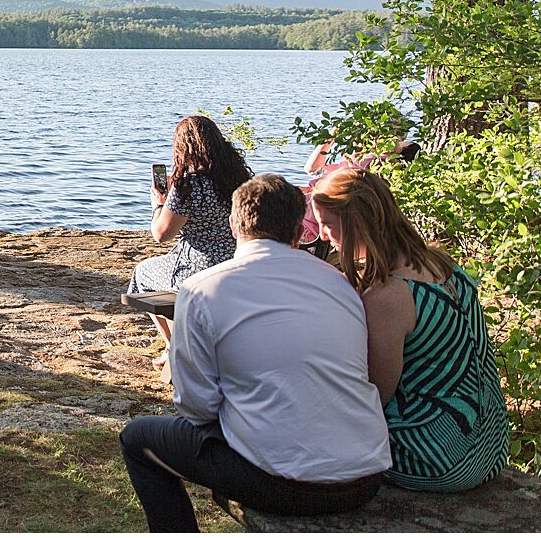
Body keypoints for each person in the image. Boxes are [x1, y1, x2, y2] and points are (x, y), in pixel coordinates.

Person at [119, 174, 391, 532]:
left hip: (281, 483)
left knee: (137, 439)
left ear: (234, 225)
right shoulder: (339, 284)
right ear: (298, 230)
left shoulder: (201, 291)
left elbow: (195, 406)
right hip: (365, 477)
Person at [310, 167, 509, 492]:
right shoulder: (440, 262)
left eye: (328, 225)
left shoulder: (389, 296)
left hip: (438, 456)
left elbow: (375, 395)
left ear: (357, 224)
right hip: (490, 442)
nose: (322, 235)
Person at [129, 114, 252, 362]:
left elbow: (161, 234)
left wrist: (158, 205)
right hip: (237, 266)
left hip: (198, 271)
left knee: (142, 274)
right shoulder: (238, 179)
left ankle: (173, 347)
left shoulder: (189, 186)